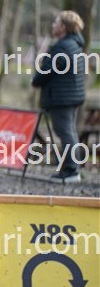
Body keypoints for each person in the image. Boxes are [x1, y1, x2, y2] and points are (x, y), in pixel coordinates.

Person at [31, 10, 86, 184]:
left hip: (63, 98)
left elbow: (46, 71)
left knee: (66, 132)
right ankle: (71, 169)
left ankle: (70, 171)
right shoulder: (74, 45)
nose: (53, 25)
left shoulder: (62, 47)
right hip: (71, 96)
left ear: (63, 27)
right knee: (69, 132)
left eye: (56, 22)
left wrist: (36, 79)